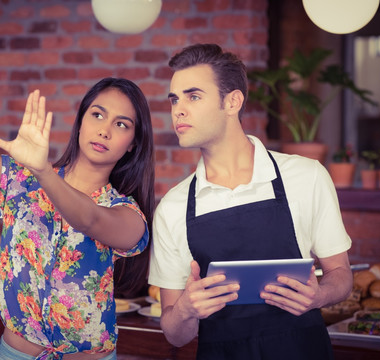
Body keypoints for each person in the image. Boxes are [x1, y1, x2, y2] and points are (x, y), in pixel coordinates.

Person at [0, 24, 155, 360]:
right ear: (80, 121)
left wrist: (42, 172)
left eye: (121, 124)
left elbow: (90, 219)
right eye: (98, 115)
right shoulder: (17, 179)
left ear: (132, 145)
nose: (105, 130)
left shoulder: (127, 214)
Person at [148, 43, 352, 359]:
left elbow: (341, 275)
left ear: (233, 101)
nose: (179, 110)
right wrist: (187, 308)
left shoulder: (306, 176)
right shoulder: (172, 209)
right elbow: (175, 336)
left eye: (194, 96)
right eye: (175, 99)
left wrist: (318, 295)